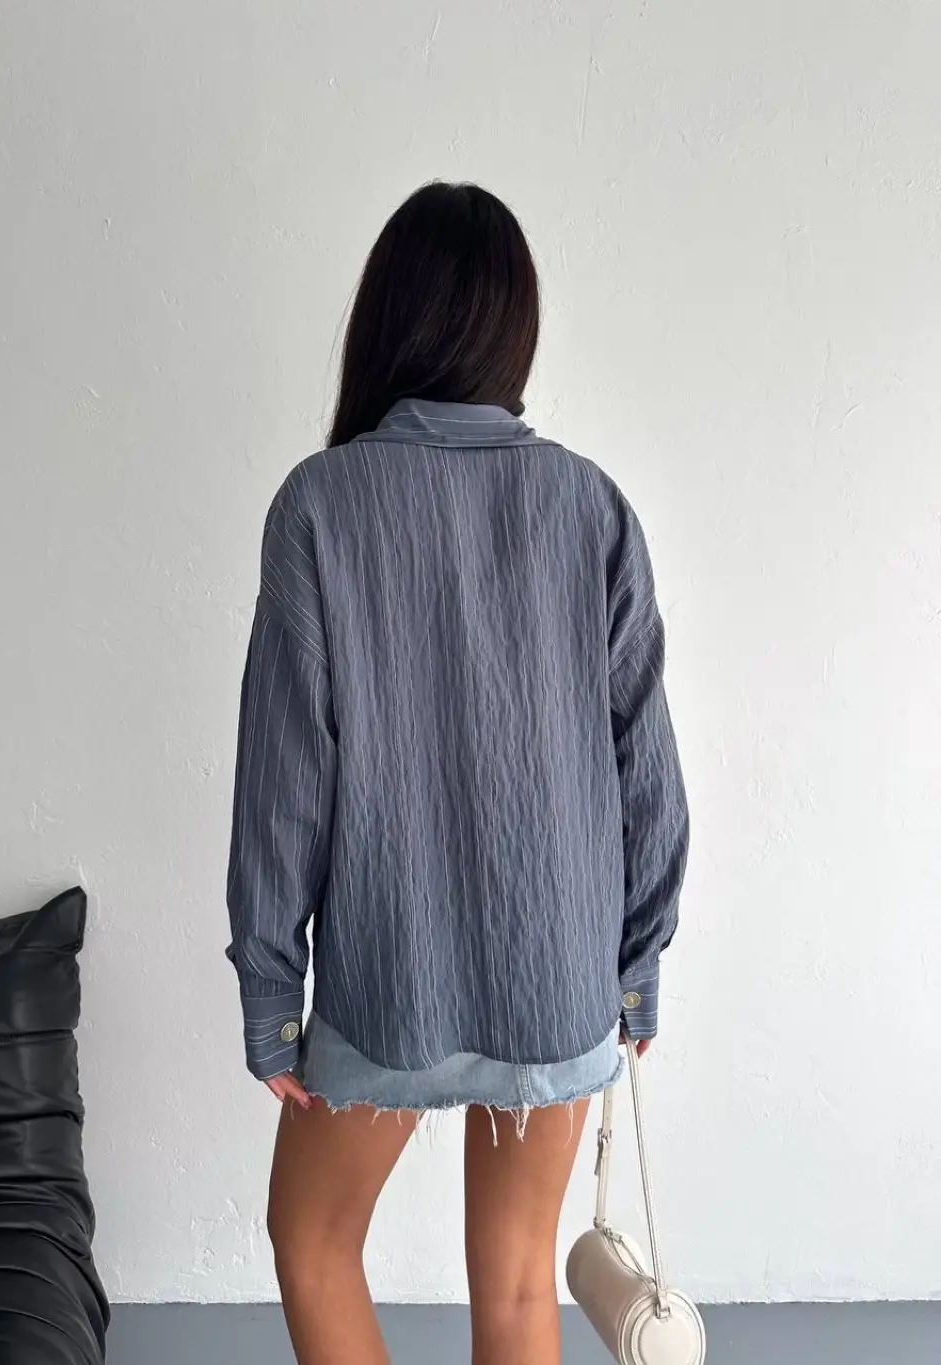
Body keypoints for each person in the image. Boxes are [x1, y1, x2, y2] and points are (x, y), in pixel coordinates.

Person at [225, 181, 688, 1365]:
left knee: (312, 1243)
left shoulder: (320, 505)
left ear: (385, 319)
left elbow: (284, 781)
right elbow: (645, 766)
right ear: (511, 331)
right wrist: (634, 970)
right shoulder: (590, 504)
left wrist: (273, 994)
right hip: (558, 971)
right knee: (522, 1289)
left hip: (392, 970)